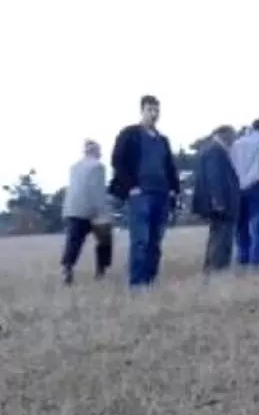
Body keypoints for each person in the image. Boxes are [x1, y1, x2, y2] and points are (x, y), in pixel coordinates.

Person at [109, 94, 181, 287]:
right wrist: (131, 186)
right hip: (141, 194)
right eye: (150, 110)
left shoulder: (163, 140)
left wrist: (174, 189)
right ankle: (137, 283)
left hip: (162, 194)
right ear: (142, 110)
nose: (154, 114)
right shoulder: (130, 134)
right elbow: (117, 160)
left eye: (157, 110)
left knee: (155, 241)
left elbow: (170, 166)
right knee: (141, 239)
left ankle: (150, 280)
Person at [60, 140, 113, 285]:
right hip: (93, 210)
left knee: (74, 241)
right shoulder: (98, 167)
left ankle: (67, 267)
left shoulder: (74, 167)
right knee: (104, 241)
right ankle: (101, 271)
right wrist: (102, 211)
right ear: (96, 151)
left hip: (73, 209)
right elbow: (97, 189)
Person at [192, 125, 241, 273]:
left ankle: (216, 267)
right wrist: (217, 200)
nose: (234, 140)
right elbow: (214, 177)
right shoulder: (215, 152)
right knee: (220, 237)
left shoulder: (214, 150)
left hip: (221, 202)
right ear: (224, 135)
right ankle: (215, 268)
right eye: (233, 136)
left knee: (220, 236)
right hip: (220, 203)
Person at [229, 118, 259, 267]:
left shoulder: (237, 143)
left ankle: (242, 258)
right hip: (257, 184)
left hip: (237, 186)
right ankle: (257, 260)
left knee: (241, 224)